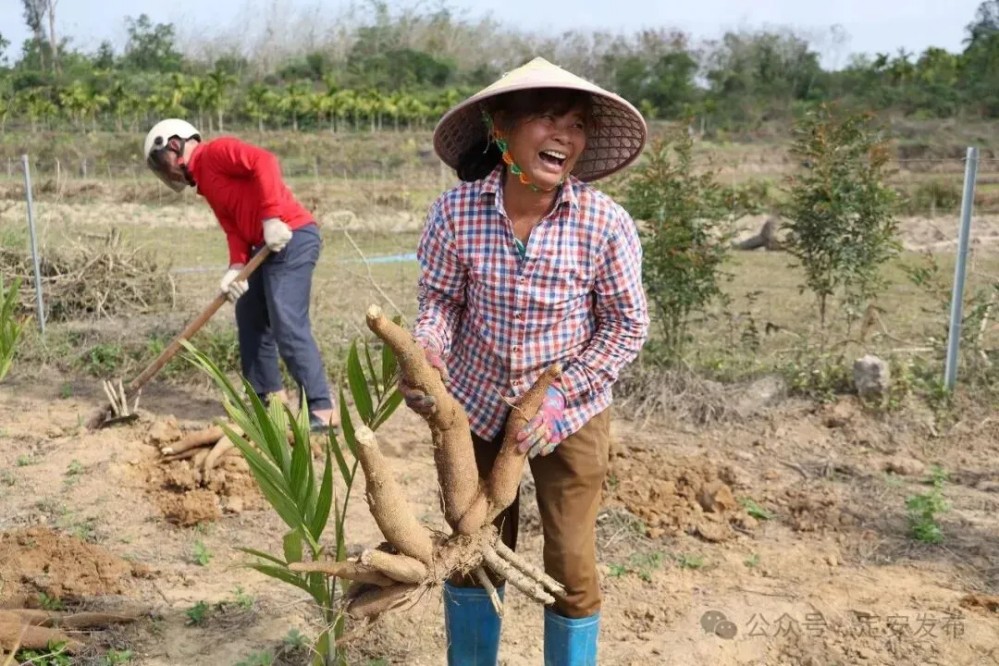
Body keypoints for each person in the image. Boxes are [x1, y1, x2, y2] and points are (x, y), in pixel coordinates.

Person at [399, 57, 650, 665]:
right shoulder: (455, 213)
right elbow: (441, 302)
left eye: (577, 125)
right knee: (473, 548)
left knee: (570, 561)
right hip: (478, 407)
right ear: (501, 127)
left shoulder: (603, 223)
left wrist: (562, 396)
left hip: (571, 414)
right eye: (547, 119)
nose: (566, 135)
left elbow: (626, 325)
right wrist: (427, 352)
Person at [142, 120, 337, 433]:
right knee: (249, 317)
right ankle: (269, 401)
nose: (166, 171)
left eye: (161, 160)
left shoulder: (215, 152)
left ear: (175, 144)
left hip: (292, 236)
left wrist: (271, 217)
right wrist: (235, 267)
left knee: (286, 319)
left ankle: (321, 408)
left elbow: (264, 161)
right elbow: (233, 228)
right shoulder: (205, 183)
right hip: (262, 247)